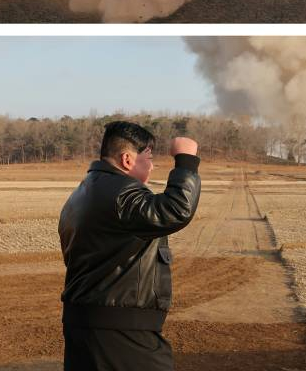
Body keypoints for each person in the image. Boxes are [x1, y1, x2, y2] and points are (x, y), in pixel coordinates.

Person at [58, 121, 202, 371]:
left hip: (86, 325)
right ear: (127, 159)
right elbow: (175, 209)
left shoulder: (82, 193)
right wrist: (186, 160)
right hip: (120, 331)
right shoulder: (120, 193)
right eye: (148, 157)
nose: (152, 165)